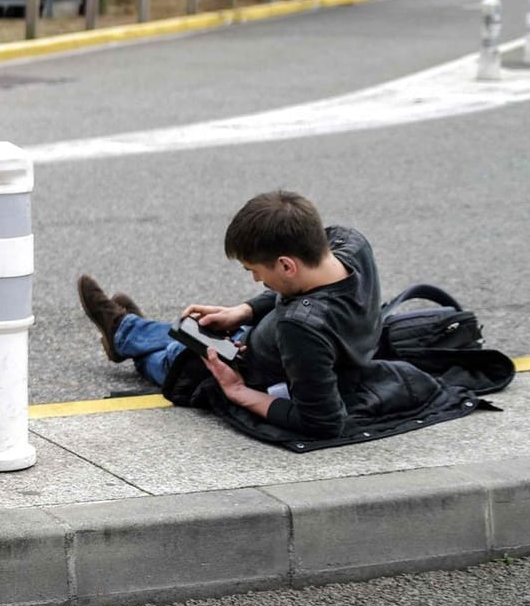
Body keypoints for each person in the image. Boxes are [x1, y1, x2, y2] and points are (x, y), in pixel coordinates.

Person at [76, 190, 423, 444]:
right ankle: (127, 334)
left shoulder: (301, 328)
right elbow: (301, 287)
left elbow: (323, 422)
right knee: (194, 334)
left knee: (177, 360)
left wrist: (237, 391)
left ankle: (124, 333)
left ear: (286, 264)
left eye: (254, 271)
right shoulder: (349, 244)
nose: (256, 279)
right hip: (260, 344)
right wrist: (245, 310)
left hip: (243, 370)